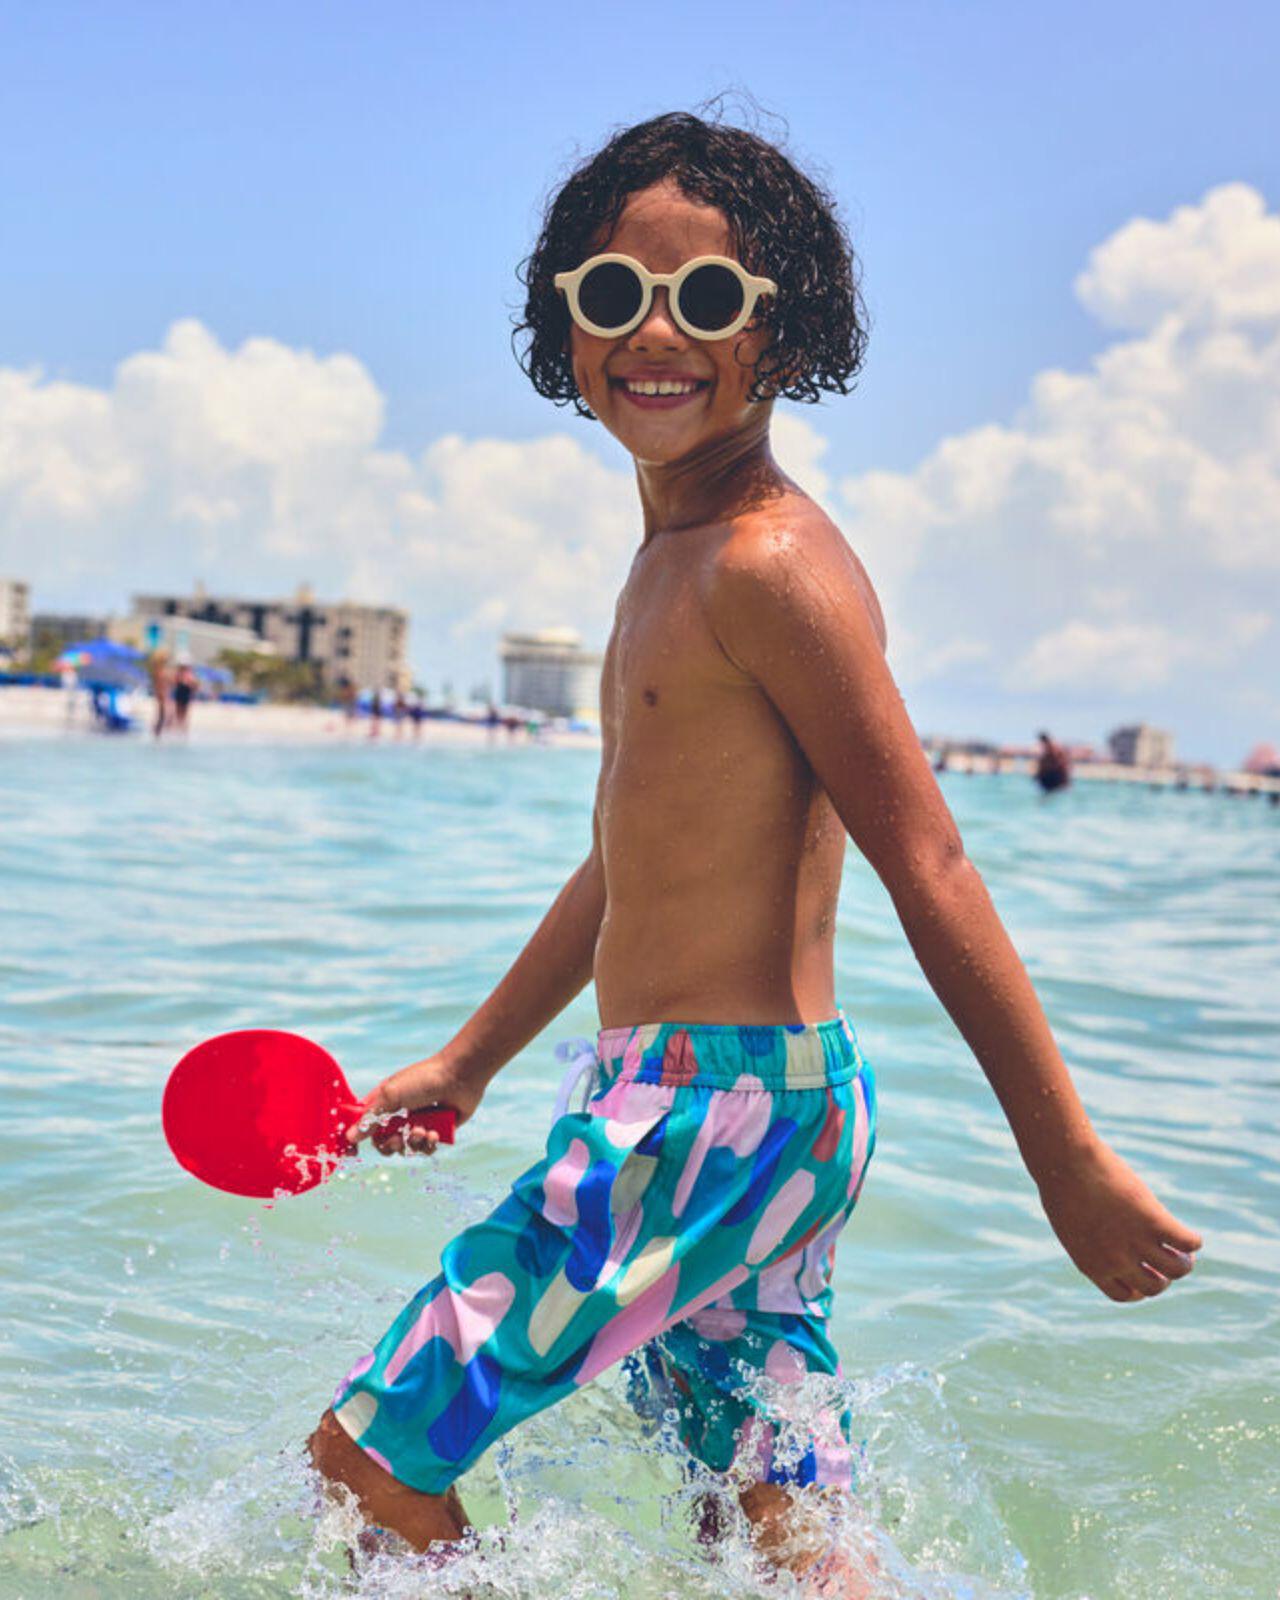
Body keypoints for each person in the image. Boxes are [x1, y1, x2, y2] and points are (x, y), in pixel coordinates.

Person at [308, 110, 1203, 1593]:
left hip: (700, 1121)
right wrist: (472, 1058)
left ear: (784, 337)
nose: (657, 335)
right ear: (564, 328)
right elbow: (623, 860)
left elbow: (930, 859)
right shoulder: (674, 558)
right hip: (749, 1117)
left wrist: (1067, 1160)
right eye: (614, 296)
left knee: (368, 1467)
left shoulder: (768, 566)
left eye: (708, 301)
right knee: (777, 1537)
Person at [147, 648, 172, 739]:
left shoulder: (159, 670)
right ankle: (157, 734)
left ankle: (157, 735)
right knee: (162, 715)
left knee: (162, 715)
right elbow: (160, 684)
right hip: (162, 694)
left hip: (162, 694)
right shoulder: (159, 671)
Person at [171, 660, 197, 736]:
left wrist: (190, 685)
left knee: (184, 712)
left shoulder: (190, 675)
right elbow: (174, 684)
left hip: (185, 694)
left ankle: (183, 728)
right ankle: (180, 727)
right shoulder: (178, 674)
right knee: (178, 712)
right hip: (180, 693)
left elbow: (194, 686)